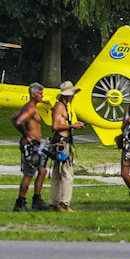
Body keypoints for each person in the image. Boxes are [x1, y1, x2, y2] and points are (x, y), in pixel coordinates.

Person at [11, 82, 49, 213]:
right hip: (31, 145)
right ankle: (20, 203)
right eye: (40, 93)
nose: (42, 96)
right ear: (33, 95)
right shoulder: (30, 108)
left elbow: (14, 118)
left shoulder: (30, 107)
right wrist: (26, 136)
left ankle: (37, 200)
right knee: (29, 174)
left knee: (43, 171)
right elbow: (19, 121)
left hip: (37, 145)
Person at [47, 82, 79, 212]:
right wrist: (72, 126)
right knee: (67, 174)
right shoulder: (60, 107)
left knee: (56, 173)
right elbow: (55, 126)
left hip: (60, 141)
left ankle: (54, 203)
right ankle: (64, 203)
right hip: (61, 141)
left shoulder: (62, 106)